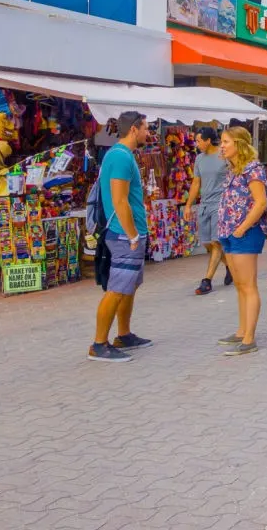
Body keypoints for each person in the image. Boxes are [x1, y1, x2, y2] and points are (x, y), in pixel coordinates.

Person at [89, 111, 152, 362]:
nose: (149, 133)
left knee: (129, 286)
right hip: (124, 234)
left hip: (130, 232)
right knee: (117, 288)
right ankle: (98, 343)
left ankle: (123, 334)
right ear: (134, 129)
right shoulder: (120, 157)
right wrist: (132, 234)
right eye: (146, 128)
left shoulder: (122, 155)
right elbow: (119, 200)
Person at [216, 126, 267, 356]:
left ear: (239, 143)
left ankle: (249, 338)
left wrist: (242, 228)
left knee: (248, 285)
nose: (222, 146)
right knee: (239, 285)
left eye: (226, 141)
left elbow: (260, 202)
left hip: (245, 232)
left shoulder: (253, 169)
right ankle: (241, 330)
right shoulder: (233, 170)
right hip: (229, 231)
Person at [185, 127, 233, 295]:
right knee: (207, 244)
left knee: (216, 242)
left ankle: (207, 281)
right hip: (205, 205)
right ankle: (230, 266)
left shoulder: (224, 155)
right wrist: (188, 205)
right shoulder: (199, 159)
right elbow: (196, 183)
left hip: (220, 204)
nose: (196, 144)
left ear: (207, 140)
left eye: (198, 141)